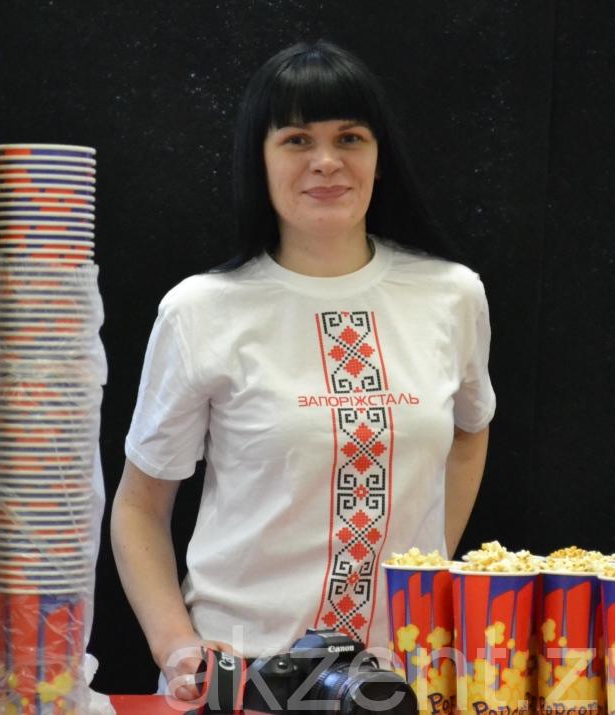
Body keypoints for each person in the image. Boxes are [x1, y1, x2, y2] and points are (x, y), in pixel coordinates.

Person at [110, 40, 495, 701]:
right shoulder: (200, 311)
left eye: (350, 138)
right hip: (241, 676)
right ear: (258, 159)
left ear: (379, 157)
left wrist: (426, 572)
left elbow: (470, 431)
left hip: (402, 676)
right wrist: (178, 649)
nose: (326, 161)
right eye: (296, 140)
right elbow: (140, 507)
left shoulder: (451, 295)